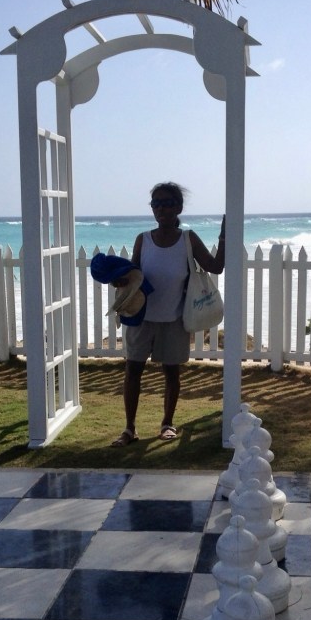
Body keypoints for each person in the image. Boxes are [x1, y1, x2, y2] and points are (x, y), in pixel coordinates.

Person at [111, 182, 225, 446]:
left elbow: (216, 267)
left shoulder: (188, 239)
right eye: (156, 204)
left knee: (172, 374)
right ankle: (129, 429)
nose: (161, 209)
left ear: (179, 207)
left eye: (167, 203)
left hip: (174, 318)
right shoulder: (143, 239)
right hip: (141, 317)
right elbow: (134, 275)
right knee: (133, 371)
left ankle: (167, 424)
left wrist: (224, 235)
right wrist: (118, 279)